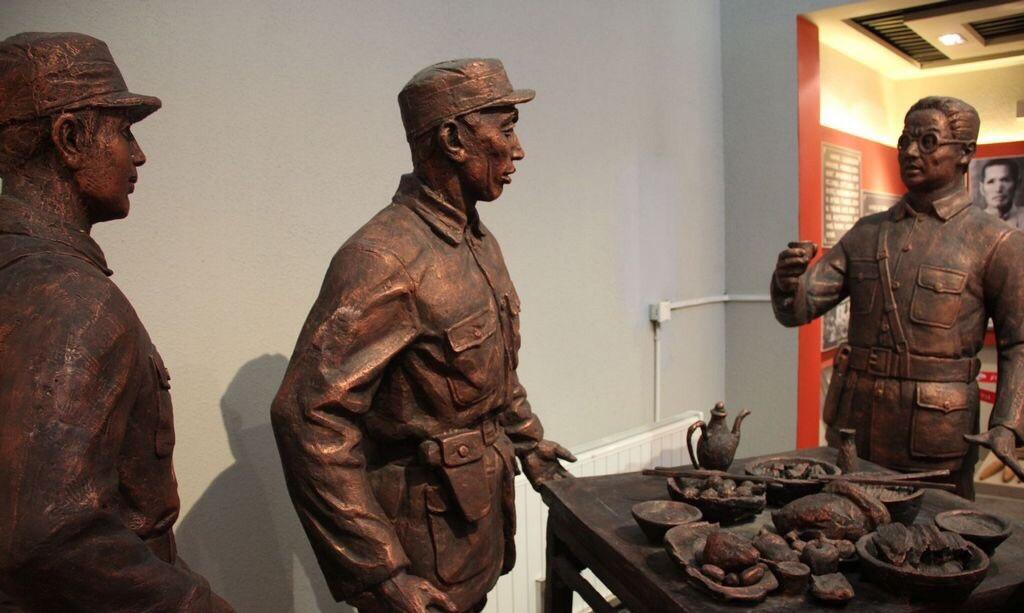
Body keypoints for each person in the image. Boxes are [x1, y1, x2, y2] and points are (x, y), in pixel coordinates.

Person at [271, 58, 575, 612]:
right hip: (419, 549)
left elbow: (492, 372)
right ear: (454, 139)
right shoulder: (383, 258)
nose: (519, 150)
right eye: (506, 129)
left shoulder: (478, 242)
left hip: (473, 524)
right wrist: (381, 573)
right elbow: (306, 416)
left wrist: (529, 444)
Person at [0, 33, 232, 611]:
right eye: (124, 131)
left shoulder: (28, 275)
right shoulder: (70, 299)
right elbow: (51, 533)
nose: (138, 155)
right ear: (70, 138)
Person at [771, 96, 1024, 499]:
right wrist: (787, 282)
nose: (910, 152)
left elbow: (1018, 343)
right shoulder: (867, 232)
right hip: (855, 427)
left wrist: (1007, 424)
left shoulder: (996, 242)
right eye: (905, 140)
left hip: (934, 434)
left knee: (936, 528)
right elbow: (799, 308)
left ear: (965, 153)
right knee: (845, 521)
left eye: (928, 142)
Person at [977, 158, 1022, 228]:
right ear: (982, 188)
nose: (998, 189)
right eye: (991, 182)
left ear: (1017, 184)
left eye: (1005, 180)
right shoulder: (974, 221)